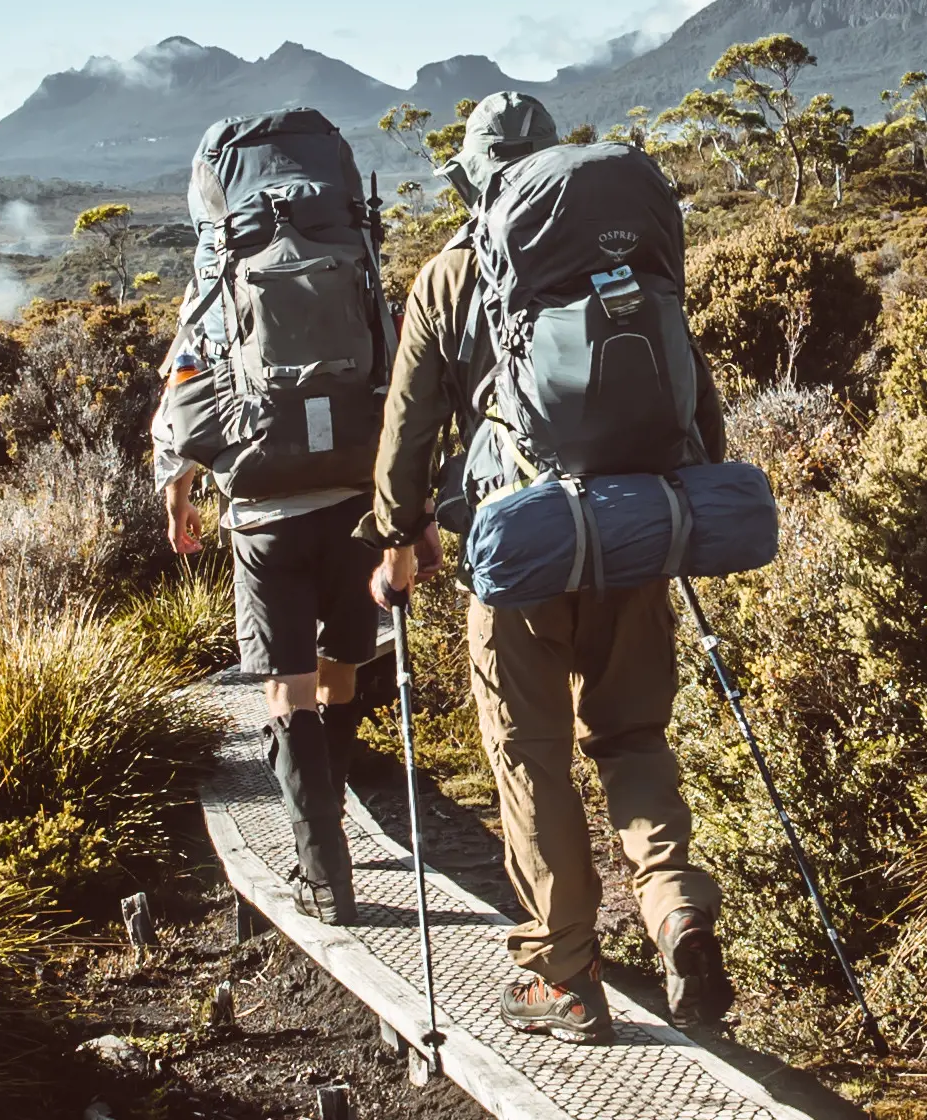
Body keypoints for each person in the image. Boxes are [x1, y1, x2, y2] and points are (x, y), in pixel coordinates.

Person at [362, 91, 735, 1043]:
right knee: (634, 736)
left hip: (521, 552)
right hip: (636, 533)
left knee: (532, 761)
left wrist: (397, 538)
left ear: (474, 172)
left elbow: (406, 431)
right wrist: (678, 505)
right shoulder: (625, 252)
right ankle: (678, 907)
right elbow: (697, 400)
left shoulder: (450, 278)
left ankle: (559, 977)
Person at [150, 128, 385, 928]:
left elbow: (185, 391)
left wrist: (179, 490)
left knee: (287, 684)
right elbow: (393, 364)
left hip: (263, 513)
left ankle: (323, 870)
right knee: (344, 664)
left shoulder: (220, 264)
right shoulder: (354, 251)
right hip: (356, 496)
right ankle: (334, 806)